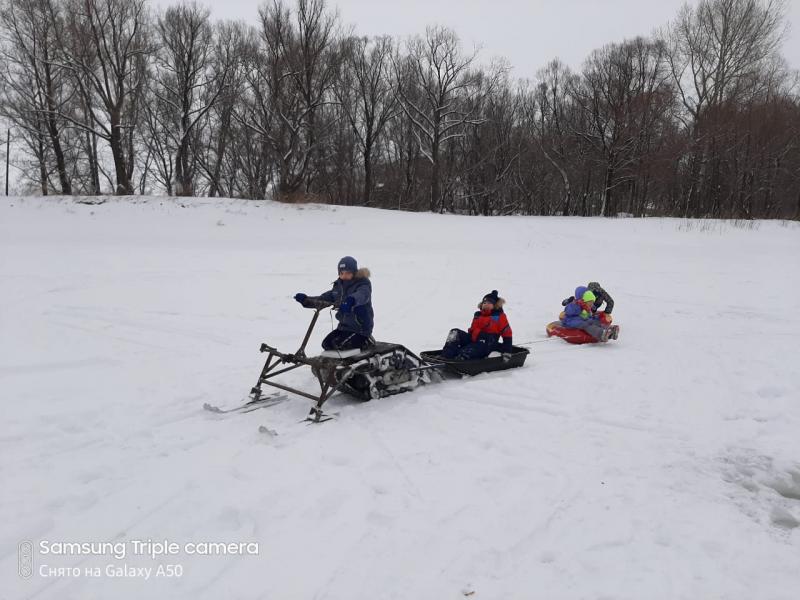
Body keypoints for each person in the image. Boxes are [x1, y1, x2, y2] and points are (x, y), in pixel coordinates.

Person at [294, 256, 374, 351]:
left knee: (339, 345)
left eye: (348, 273)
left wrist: (351, 300)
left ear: (354, 272)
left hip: (360, 330)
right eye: (342, 273)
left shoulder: (362, 284)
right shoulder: (338, 287)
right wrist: (306, 300)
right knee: (326, 344)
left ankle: (366, 341)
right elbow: (323, 299)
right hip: (343, 328)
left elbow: (362, 295)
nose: (344, 276)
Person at [442, 290, 513, 360]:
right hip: (474, 341)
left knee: (465, 351)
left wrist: (507, 351)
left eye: (489, 303)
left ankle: (460, 358)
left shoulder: (499, 317)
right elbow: (472, 330)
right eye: (484, 303)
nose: (486, 304)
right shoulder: (478, 315)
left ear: (495, 305)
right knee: (455, 332)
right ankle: (446, 355)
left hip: (487, 345)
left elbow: (507, 334)